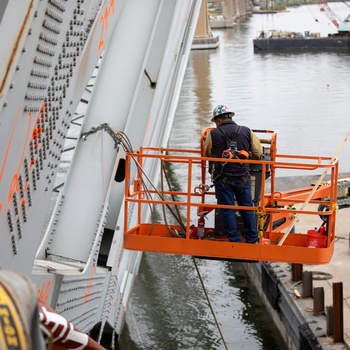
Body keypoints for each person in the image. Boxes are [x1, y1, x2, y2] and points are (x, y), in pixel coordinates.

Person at [204, 105, 263, 243]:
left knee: (227, 209)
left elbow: (207, 154)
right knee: (247, 207)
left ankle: (234, 239)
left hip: (222, 179)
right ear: (230, 117)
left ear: (218, 120)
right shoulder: (247, 131)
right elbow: (258, 152)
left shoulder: (212, 134)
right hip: (243, 177)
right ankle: (252, 238)